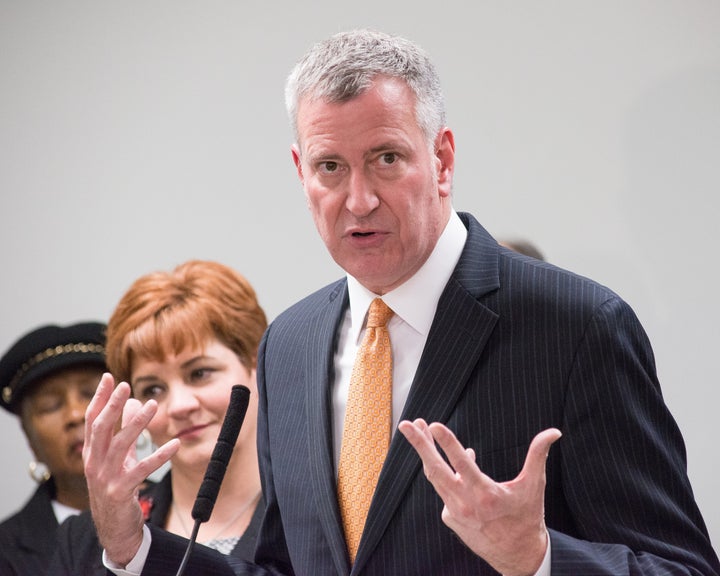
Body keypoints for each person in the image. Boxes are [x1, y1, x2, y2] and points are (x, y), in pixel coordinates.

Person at [84, 29, 719, 576]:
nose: (357, 200)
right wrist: (131, 546)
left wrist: (536, 557)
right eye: (330, 167)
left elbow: (681, 566)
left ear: (442, 160)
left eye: (386, 159)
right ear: (300, 171)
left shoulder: (576, 326)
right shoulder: (291, 343)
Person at [47, 259, 268, 574]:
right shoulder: (86, 539)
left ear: (256, 366)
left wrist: (137, 553)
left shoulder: (320, 517)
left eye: (199, 372)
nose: (179, 405)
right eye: (152, 389)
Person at [0, 321, 107, 575]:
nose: (76, 414)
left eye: (91, 393)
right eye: (50, 405)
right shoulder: (6, 549)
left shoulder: (182, 510)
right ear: (28, 436)